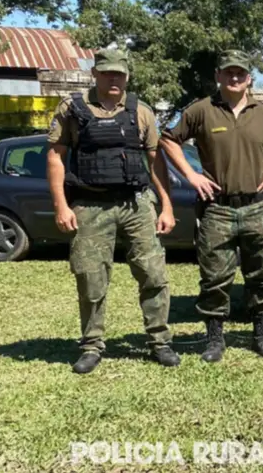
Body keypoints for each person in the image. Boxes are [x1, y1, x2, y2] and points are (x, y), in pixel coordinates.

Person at [46, 48, 179, 374]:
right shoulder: (72, 109)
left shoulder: (141, 112)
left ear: (127, 77)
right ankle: (91, 345)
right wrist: (61, 205)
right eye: (107, 73)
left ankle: (160, 342)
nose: (113, 79)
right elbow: (54, 157)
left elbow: (155, 161)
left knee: (153, 273)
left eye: (119, 74)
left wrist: (167, 206)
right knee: (90, 276)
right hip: (91, 205)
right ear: (95, 74)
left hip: (136, 203)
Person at [160, 50, 263, 362]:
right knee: (214, 278)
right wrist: (192, 175)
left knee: (262, 275)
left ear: (249, 78)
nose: (235, 78)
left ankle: (261, 334)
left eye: (241, 73)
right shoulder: (201, 111)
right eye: (228, 73)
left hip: (258, 207)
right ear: (218, 76)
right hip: (216, 209)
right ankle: (214, 339)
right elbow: (168, 139)